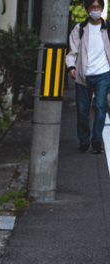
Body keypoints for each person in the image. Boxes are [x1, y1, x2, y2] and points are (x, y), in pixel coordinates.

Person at [68, 0, 110, 154]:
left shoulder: (108, 27)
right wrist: (71, 67)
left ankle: (97, 141)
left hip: (103, 73)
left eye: (99, 7)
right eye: (93, 7)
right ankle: (84, 141)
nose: (96, 10)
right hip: (83, 74)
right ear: (87, 10)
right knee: (82, 111)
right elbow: (72, 51)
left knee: (100, 106)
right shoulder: (79, 29)